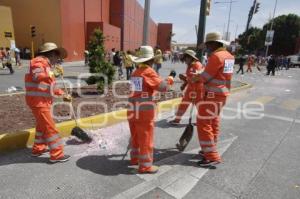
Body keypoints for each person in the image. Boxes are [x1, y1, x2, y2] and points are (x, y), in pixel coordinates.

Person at [192, 32, 235, 167]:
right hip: (222, 94)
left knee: (204, 124)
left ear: (213, 43)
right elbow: (221, 75)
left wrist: (195, 77)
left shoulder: (216, 56)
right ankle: (210, 149)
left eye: (208, 44)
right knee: (213, 122)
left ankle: (210, 156)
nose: (207, 47)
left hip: (211, 95)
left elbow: (206, 76)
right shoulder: (229, 56)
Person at [24, 42, 71, 163]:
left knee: (41, 128)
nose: (58, 60)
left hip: (42, 102)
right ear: (51, 54)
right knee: (50, 129)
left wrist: (63, 94)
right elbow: (37, 76)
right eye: (57, 57)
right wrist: (53, 73)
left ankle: (38, 149)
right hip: (39, 102)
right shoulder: (38, 61)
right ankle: (57, 155)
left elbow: (50, 86)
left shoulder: (47, 66)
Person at [127, 46, 170, 174]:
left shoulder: (135, 72)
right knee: (146, 137)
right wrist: (170, 79)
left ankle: (135, 159)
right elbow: (163, 87)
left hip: (132, 109)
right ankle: (145, 166)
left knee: (135, 136)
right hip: (144, 111)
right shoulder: (149, 71)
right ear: (151, 60)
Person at [169, 50, 204, 125]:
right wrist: (184, 83)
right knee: (183, 104)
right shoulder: (190, 65)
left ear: (191, 58)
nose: (185, 60)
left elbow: (200, 77)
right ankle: (177, 120)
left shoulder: (197, 65)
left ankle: (202, 121)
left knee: (200, 106)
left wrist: (187, 77)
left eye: (186, 58)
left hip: (198, 89)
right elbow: (190, 77)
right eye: (184, 59)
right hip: (190, 88)